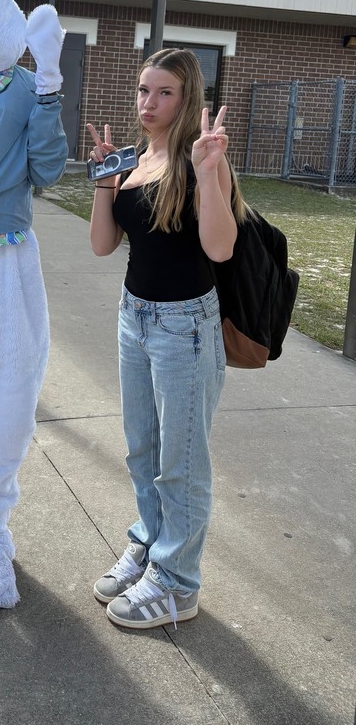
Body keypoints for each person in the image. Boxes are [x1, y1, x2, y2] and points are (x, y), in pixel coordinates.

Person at [87, 47, 249, 629]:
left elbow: (220, 248)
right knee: (142, 450)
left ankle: (178, 583)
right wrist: (106, 179)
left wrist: (210, 174)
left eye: (163, 93)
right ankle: (152, 546)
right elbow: (104, 245)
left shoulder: (198, 157)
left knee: (180, 461)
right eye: (142, 91)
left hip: (187, 326)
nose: (148, 104)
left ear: (188, 100)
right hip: (136, 317)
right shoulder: (138, 158)